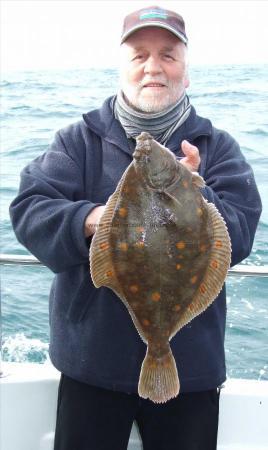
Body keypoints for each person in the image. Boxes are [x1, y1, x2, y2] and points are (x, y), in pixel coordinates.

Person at [9, 5, 262, 450]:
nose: (153, 67)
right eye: (139, 55)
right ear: (122, 67)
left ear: (186, 71)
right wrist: (93, 221)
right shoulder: (76, 140)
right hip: (91, 364)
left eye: (168, 55)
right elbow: (29, 209)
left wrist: (193, 193)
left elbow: (239, 233)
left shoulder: (217, 147)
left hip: (191, 370)